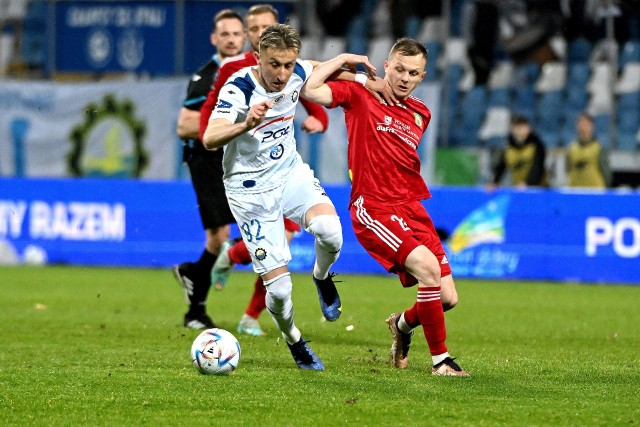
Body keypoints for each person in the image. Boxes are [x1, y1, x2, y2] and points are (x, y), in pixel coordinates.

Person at [202, 24, 368, 370]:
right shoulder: (240, 87)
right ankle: (295, 340)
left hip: (289, 173)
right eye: (274, 64)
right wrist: (245, 124)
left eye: (287, 65)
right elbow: (210, 137)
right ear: (259, 57)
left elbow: (316, 68)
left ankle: (321, 277)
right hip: (250, 193)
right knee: (278, 292)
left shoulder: (297, 71)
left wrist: (357, 71)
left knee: (331, 231)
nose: (281, 74)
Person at [302, 38, 469, 376]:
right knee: (428, 271)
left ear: (422, 77)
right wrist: (352, 65)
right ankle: (441, 362)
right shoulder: (360, 96)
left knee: (447, 298)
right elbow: (310, 88)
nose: (405, 78)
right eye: (400, 69)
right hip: (374, 207)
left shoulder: (421, 113)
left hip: (412, 208)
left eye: (414, 73)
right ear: (387, 66)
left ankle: (403, 326)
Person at [196, 4, 329, 337]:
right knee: (275, 250)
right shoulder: (234, 70)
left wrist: (319, 119)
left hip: (283, 168)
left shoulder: (285, 66)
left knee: (284, 243)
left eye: (264, 28)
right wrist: (210, 142)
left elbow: (307, 93)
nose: (258, 35)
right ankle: (237, 268)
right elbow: (211, 113)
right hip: (244, 169)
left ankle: (250, 313)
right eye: (252, 30)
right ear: (249, 35)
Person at [173, 9, 246, 330]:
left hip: (231, 158)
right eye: (224, 34)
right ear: (214, 39)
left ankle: (194, 289)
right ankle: (195, 309)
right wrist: (236, 124)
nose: (231, 39)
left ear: (244, 37)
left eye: (236, 33)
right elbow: (183, 125)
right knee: (220, 235)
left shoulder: (247, 69)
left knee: (220, 237)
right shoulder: (207, 76)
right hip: (205, 159)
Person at [490, 115, 548, 189]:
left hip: (538, 189)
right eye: (520, 127)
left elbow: (538, 167)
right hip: (518, 188)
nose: (524, 130)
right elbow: (501, 166)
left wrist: (528, 183)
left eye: (525, 127)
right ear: (514, 129)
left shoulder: (537, 145)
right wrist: (495, 182)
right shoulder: (508, 148)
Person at [566, 113, 610, 189]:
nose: (583, 127)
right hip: (575, 190)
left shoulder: (599, 148)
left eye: (586, 124)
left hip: (594, 191)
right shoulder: (571, 148)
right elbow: (568, 169)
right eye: (581, 123)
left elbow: (606, 173)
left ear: (592, 126)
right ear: (577, 126)